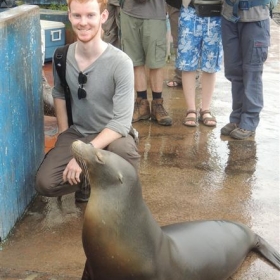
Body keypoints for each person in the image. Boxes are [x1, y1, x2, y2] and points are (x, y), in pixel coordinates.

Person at [36, 0, 140, 203]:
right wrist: (64, 134)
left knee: (123, 153)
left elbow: (120, 123)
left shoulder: (121, 63)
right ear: (69, 16)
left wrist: (83, 155)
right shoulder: (61, 56)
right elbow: (58, 93)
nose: (83, 22)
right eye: (77, 15)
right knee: (45, 183)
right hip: (78, 132)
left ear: (103, 17)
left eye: (90, 15)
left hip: (112, 134)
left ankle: (109, 188)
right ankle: (88, 179)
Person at [220, 0, 271, 139]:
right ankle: (236, 118)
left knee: (252, 71)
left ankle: (249, 122)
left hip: (255, 18)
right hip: (229, 16)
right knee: (234, 70)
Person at [120, 0, 173, 126]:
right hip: (129, 11)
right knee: (134, 60)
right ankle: (141, 103)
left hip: (154, 13)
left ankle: (157, 104)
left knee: (156, 61)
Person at [176, 0, 223, 127]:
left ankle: (205, 109)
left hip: (216, 12)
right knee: (187, 62)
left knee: (211, 64)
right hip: (190, 10)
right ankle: (191, 109)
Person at [166, 0, 183, 88]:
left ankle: (195, 75)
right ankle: (179, 77)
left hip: (197, 6)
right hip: (175, 5)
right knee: (178, 43)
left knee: (196, 42)